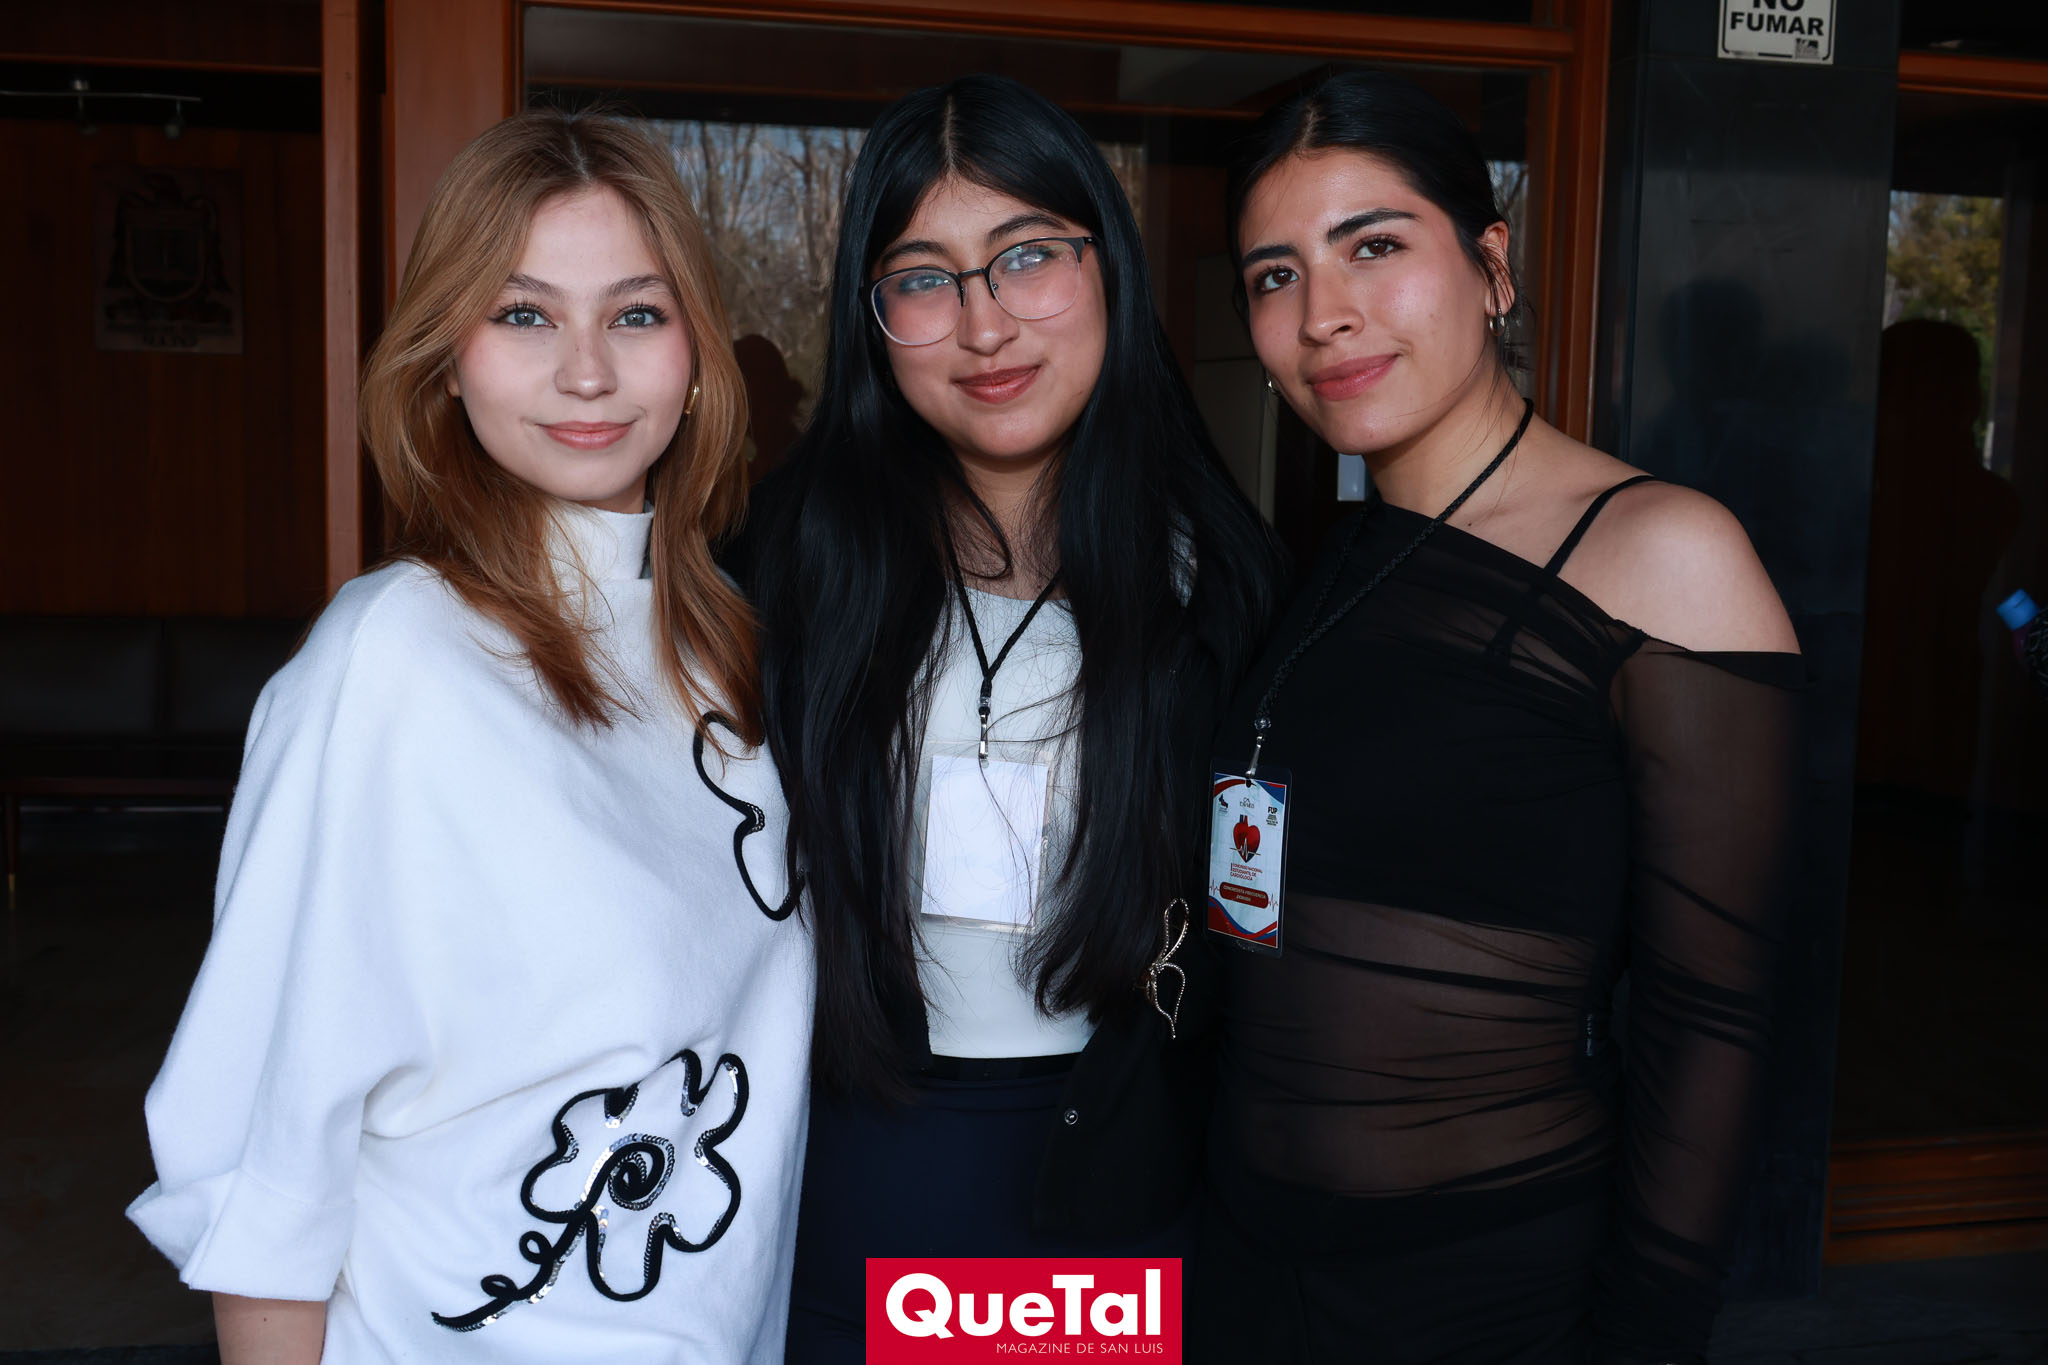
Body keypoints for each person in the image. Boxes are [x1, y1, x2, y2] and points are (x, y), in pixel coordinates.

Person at [126, 110, 812, 1362]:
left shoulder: (723, 646)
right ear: (446, 358)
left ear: (699, 355)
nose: (587, 373)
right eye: (524, 314)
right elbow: (266, 1155)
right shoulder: (393, 659)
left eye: (636, 313)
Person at [1192, 71, 1802, 1364]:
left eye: (1373, 246)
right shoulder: (1341, 557)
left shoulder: (1658, 551)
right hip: (1251, 1269)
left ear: (1491, 265)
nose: (1324, 313)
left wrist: (1644, 1341)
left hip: (1483, 1289)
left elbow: (1711, 1019)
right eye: (1275, 274)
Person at [736, 74, 1282, 1362]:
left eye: (1028, 256)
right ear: (872, 318)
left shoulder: (1221, 583)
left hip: (1115, 1163)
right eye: (924, 279)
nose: (984, 326)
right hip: (853, 1149)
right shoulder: (782, 573)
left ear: (1107, 266)